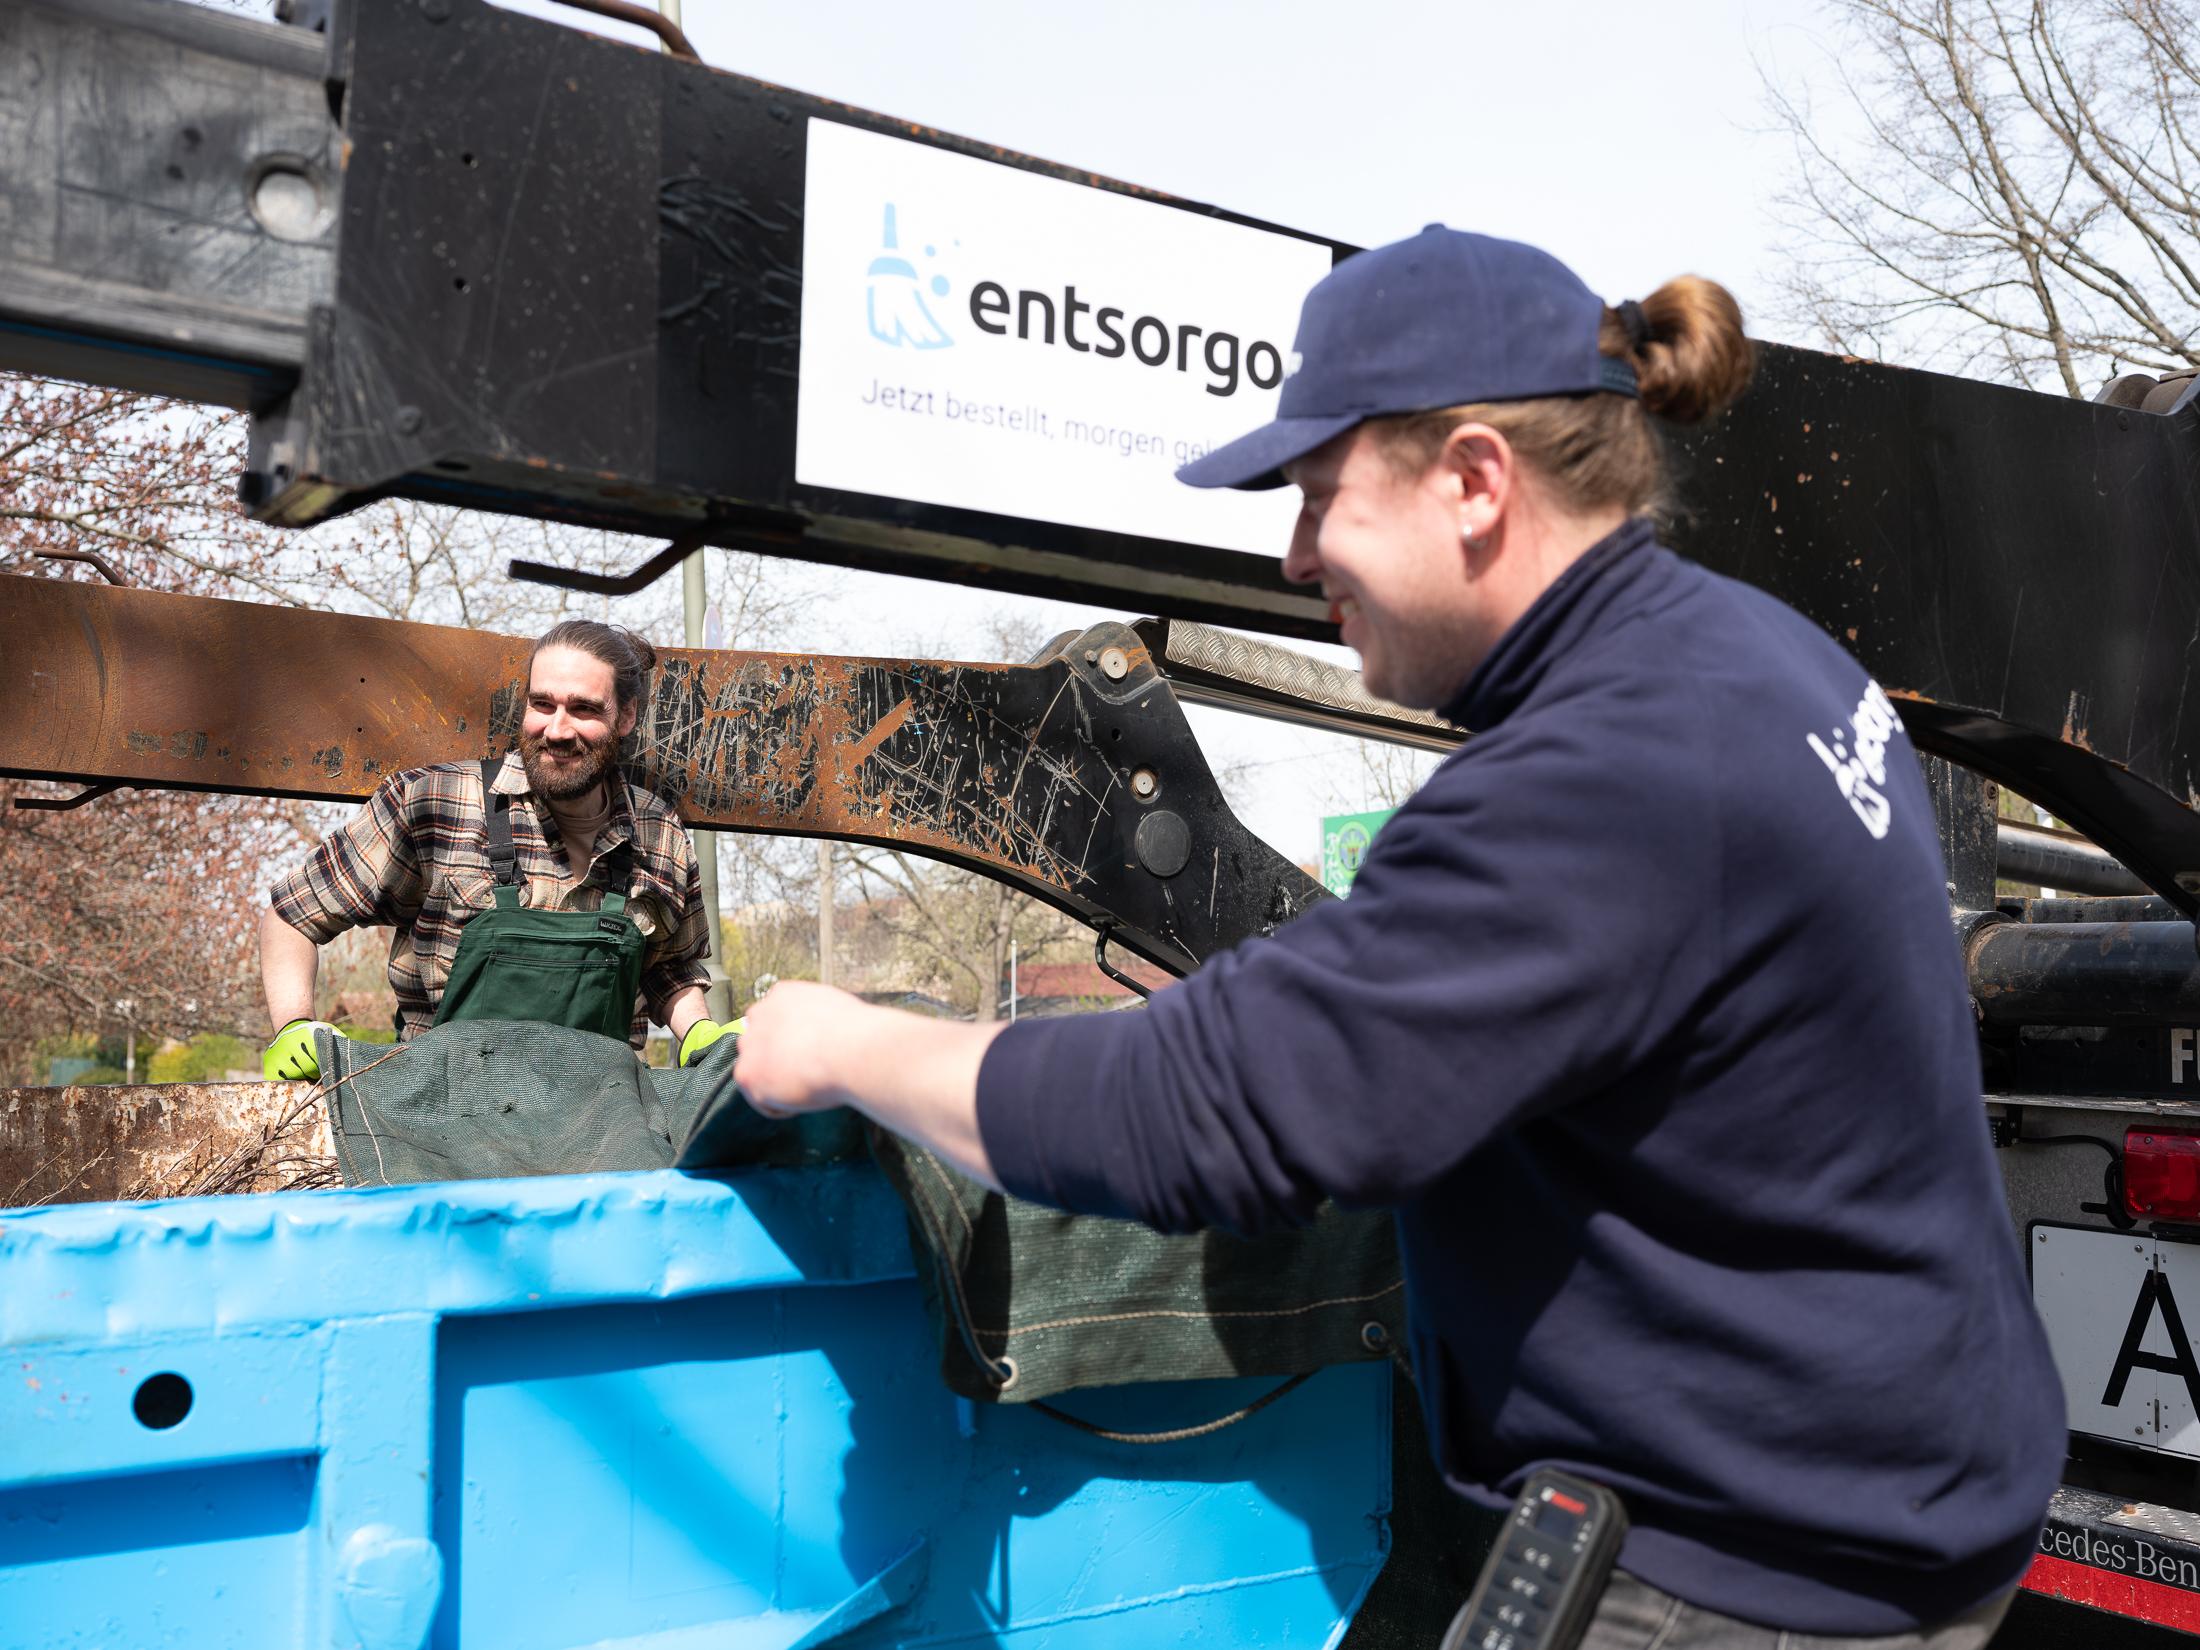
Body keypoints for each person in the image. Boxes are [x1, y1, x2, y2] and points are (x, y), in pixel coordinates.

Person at [730, 226, 2064, 1646]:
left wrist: (844, 1042)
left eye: (1319, 495)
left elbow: (1204, 1114)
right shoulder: (1758, 653)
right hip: (1894, 1488)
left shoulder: (1607, 770)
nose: (1298, 552)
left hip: (1742, 1574)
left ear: (1476, 481)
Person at [260, 619, 737, 1079]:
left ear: (626, 715)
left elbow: (669, 966)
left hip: (601, 1121)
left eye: (584, 709)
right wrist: (295, 1024)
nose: (557, 730)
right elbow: (293, 915)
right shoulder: (432, 802)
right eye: (542, 704)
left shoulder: (658, 832)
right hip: (438, 1115)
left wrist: (698, 1031)